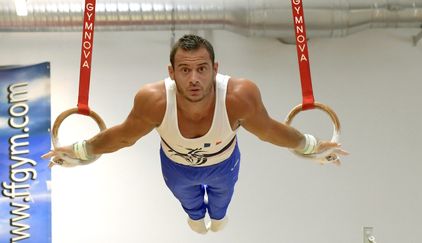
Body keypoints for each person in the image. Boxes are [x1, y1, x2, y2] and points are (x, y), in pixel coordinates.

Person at [42, 34, 348, 234]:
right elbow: (123, 136)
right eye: (185, 70)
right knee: (189, 205)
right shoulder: (154, 100)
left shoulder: (238, 96)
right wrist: (81, 149)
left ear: (215, 69)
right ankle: (195, 216)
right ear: (171, 72)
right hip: (176, 167)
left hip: (223, 164)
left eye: (202, 69)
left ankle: (216, 218)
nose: (194, 79)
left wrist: (312, 145)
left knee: (221, 206)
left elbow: (269, 131)